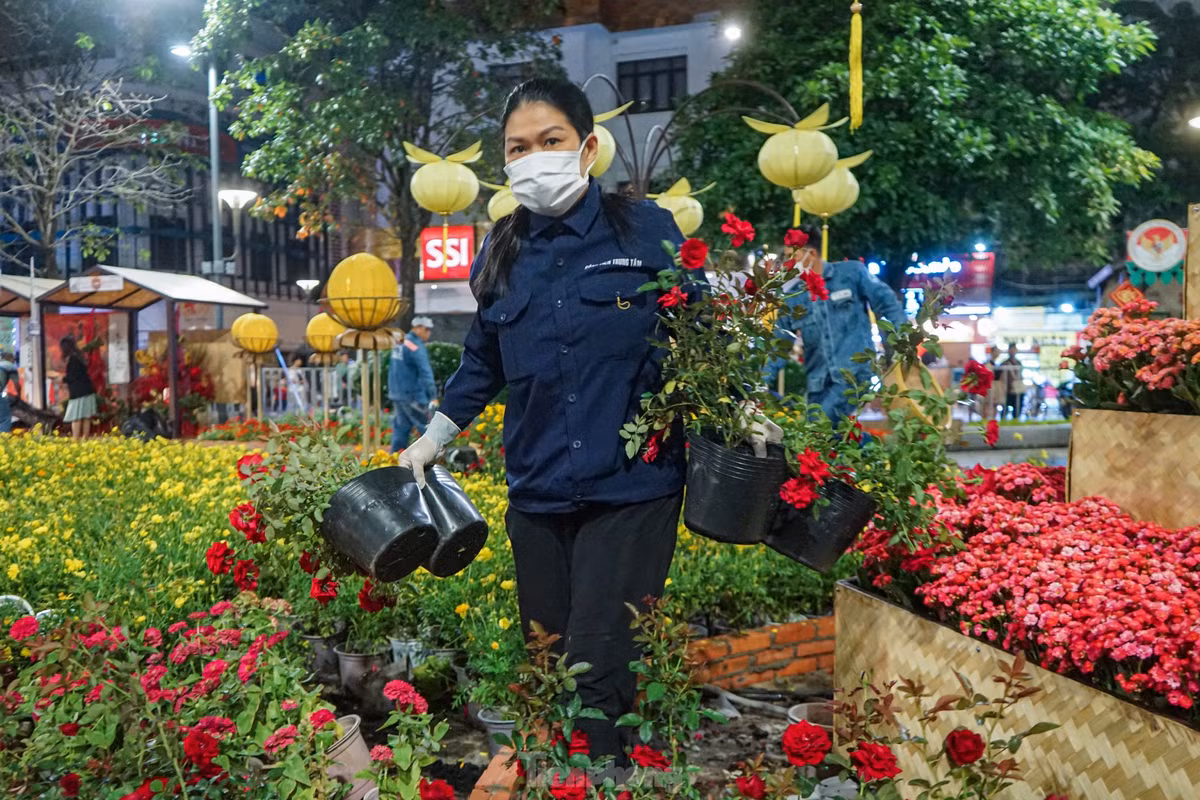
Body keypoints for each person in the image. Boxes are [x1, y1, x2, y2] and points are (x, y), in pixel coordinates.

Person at [396, 78, 755, 767]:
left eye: (551, 141)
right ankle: (565, 772)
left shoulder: (643, 228)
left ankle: (609, 777)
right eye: (518, 148)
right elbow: (483, 359)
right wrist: (433, 439)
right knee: (548, 653)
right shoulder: (501, 247)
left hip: (633, 488)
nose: (535, 158)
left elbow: (698, 327)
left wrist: (737, 404)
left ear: (587, 147)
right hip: (538, 494)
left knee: (599, 657)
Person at [772, 225, 907, 423]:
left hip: (853, 376)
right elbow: (778, 347)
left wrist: (904, 340)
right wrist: (755, 387)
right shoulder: (794, 297)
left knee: (818, 430)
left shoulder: (851, 274)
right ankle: (866, 451)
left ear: (810, 253)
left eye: (791, 257)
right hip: (818, 384)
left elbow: (886, 301)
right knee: (822, 444)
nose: (788, 264)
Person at [388, 316, 438, 452]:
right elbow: (425, 371)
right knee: (427, 428)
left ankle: (394, 461)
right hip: (413, 396)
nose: (429, 333)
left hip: (397, 394)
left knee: (401, 429)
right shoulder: (416, 347)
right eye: (427, 329)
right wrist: (433, 395)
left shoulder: (401, 342)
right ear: (417, 328)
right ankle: (431, 463)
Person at [60, 336, 97, 440]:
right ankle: (85, 438)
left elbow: (72, 377)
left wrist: (62, 379)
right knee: (86, 417)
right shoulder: (79, 356)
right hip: (87, 390)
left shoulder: (72, 360)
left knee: (76, 417)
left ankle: (75, 439)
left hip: (78, 393)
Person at [998, 343, 1024, 420]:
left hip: (1017, 389)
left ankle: (1016, 421)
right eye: (1011, 349)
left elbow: (1020, 375)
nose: (1013, 351)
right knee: (1004, 407)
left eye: (1014, 349)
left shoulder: (1019, 363)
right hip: (1007, 389)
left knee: (1017, 408)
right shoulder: (1004, 363)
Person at [0, 351, 17, 434]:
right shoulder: (11, 367)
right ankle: (3, 439)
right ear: (11, 358)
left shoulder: (1, 364)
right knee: (5, 417)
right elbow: (16, 384)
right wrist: (18, 397)